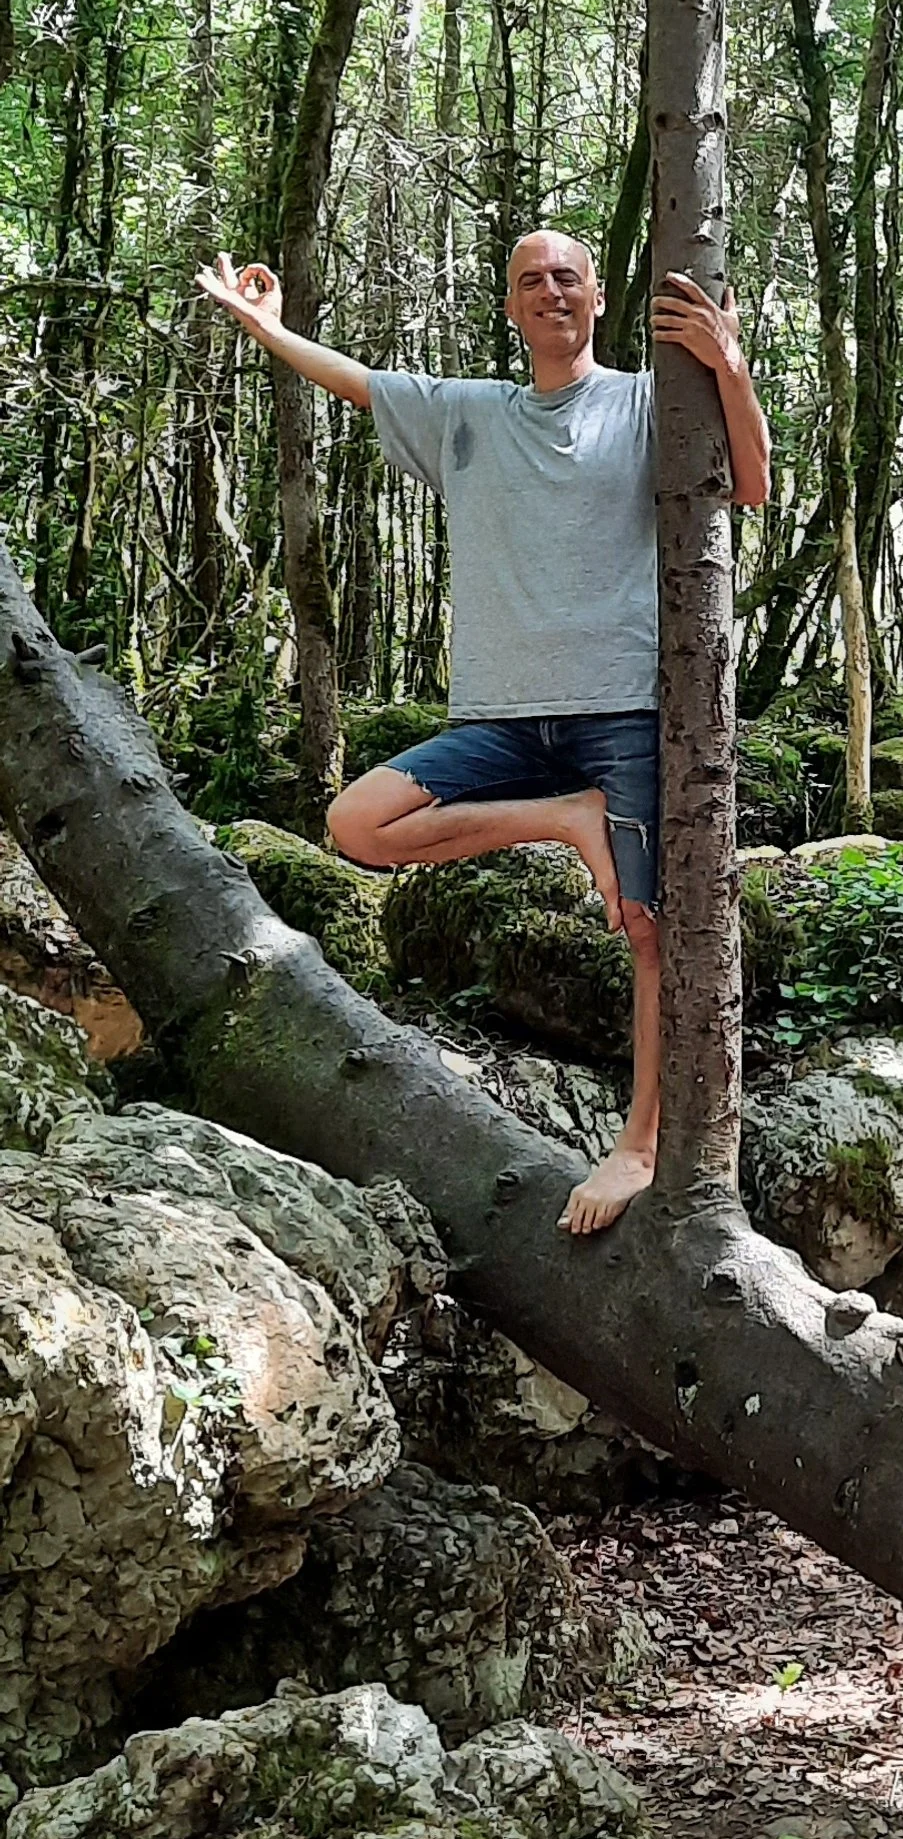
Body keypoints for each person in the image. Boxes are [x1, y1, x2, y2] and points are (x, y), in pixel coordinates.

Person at [196, 228, 772, 1238]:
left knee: (647, 928)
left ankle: (639, 1144)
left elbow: (753, 484)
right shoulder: (472, 414)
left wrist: (726, 365)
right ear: (510, 309)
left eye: (566, 277)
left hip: (623, 708)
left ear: (596, 297)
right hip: (506, 716)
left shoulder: (650, 400)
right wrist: (266, 328)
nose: (549, 291)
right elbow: (360, 381)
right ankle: (565, 820)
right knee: (357, 823)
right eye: (528, 281)